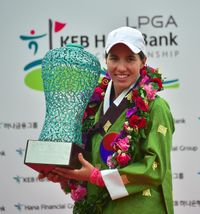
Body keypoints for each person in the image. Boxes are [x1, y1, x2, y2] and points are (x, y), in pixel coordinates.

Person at [38, 26, 175, 214]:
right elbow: (90, 160)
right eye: (114, 58)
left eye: (130, 58)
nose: (121, 67)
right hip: (97, 207)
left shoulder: (155, 107)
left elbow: (155, 168)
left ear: (143, 61)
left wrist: (99, 177)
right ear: (106, 60)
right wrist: (65, 174)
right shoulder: (94, 103)